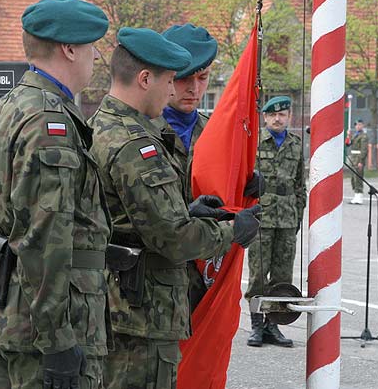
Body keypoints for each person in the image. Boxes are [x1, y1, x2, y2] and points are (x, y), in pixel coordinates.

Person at [88, 27, 261, 389]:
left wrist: (197, 207)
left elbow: (146, 214)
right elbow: (173, 236)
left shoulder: (106, 127)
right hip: (141, 307)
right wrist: (233, 231)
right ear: (147, 78)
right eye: (174, 79)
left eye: (203, 78)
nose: (181, 89)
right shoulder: (137, 141)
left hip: (140, 297)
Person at [0, 0, 111, 389]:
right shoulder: (49, 122)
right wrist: (57, 337)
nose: (95, 57)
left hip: (15, 317)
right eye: (92, 47)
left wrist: (0, 292)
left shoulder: (6, 108)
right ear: (70, 49)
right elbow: (47, 235)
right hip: (50, 331)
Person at [154, 23, 263, 311]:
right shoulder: (139, 130)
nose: (194, 88)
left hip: (203, 278)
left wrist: (244, 187)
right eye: (183, 79)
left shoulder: (216, 132)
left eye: (203, 77)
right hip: (154, 281)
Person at [245, 95, 306, 348]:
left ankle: (274, 325)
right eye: (273, 115)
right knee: (259, 274)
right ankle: (257, 325)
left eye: (283, 114)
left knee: (282, 276)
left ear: (289, 117)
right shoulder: (255, 143)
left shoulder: (295, 144)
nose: (278, 119)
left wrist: (298, 216)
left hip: (287, 218)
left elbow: (300, 185)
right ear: (265, 117)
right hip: (263, 216)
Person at [346, 119, 368, 204]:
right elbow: (348, 144)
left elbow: (364, 150)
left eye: (360, 125)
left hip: (358, 159)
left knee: (358, 178)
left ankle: (359, 195)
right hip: (353, 159)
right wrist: (348, 136)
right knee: (353, 178)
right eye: (356, 125)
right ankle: (356, 195)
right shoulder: (355, 135)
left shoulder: (363, 136)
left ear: (362, 126)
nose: (358, 126)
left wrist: (361, 161)